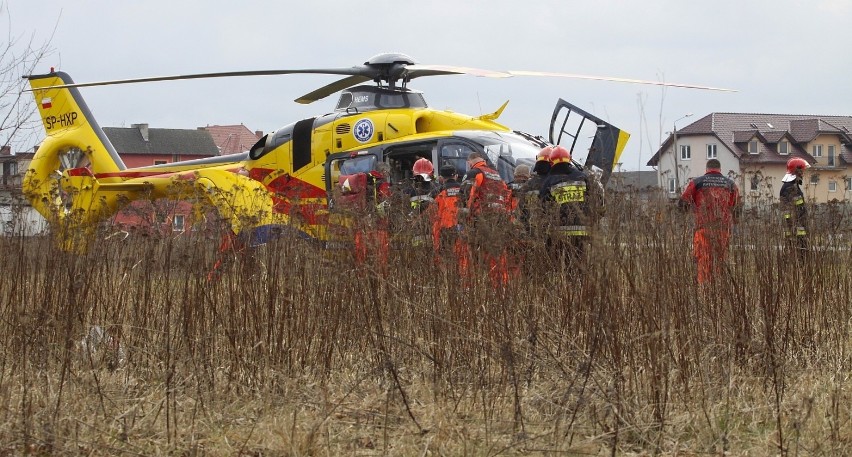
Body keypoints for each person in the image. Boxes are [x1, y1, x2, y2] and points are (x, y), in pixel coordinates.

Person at [680, 158, 741, 285]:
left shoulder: (696, 183)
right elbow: (737, 208)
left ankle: (704, 290)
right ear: (720, 169)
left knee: (703, 260)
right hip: (723, 229)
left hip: (703, 228)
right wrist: (735, 222)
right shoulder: (730, 184)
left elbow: (682, 204)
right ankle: (719, 288)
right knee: (720, 259)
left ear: (706, 170)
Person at [459, 151, 513, 285]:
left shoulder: (474, 173)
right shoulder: (497, 175)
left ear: (469, 162)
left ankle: (472, 287)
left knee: (474, 255)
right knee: (498, 254)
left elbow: (466, 195)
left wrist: (463, 218)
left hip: (481, 219)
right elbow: (507, 196)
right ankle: (501, 285)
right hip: (499, 219)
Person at [538, 146, 598, 264]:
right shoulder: (582, 177)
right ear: (569, 159)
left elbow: (543, 205)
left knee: (561, 263)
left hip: (560, 231)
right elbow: (593, 200)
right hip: (582, 229)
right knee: (580, 263)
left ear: (551, 162)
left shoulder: (550, 181)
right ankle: (579, 282)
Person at [429, 164, 463, 263]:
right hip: (461, 228)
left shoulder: (436, 192)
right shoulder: (464, 190)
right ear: (456, 176)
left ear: (440, 178)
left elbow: (431, 213)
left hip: (442, 230)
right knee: (461, 257)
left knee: (443, 259)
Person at [779, 157, 810, 258]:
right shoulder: (790, 187)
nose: (803, 174)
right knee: (799, 254)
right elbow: (797, 208)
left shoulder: (792, 185)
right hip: (795, 227)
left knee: (800, 253)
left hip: (796, 227)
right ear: (797, 172)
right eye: (802, 171)